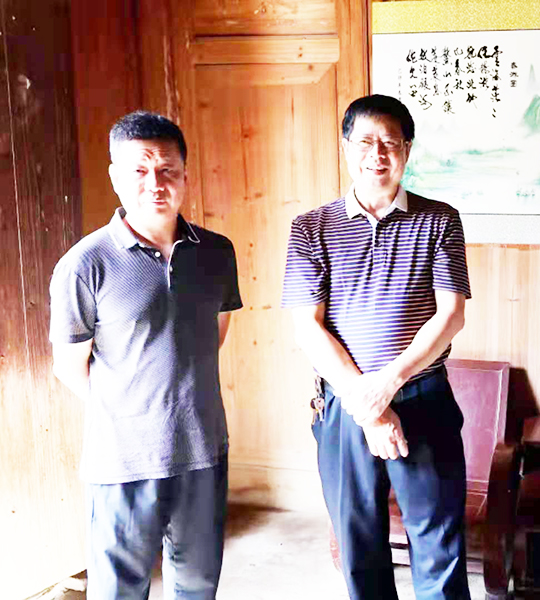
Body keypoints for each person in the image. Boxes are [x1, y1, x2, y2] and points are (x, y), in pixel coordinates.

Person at [281, 94, 472, 600]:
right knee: (358, 546)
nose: (377, 153)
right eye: (365, 141)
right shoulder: (311, 227)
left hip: (423, 399)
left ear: (407, 150)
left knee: (439, 544)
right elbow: (308, 328)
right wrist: (368, 406)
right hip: (343, 409)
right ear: (346, 147)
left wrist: (387, 386)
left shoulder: (440, 220)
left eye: (391, 142)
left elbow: (450, 315)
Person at [49, 111, 242, 599]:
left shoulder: (217, 253)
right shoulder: (85, 264)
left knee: (198, 583)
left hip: (202, 450)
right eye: (139, 170)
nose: (155, 183)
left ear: (184, 176)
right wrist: (134, 410)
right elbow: (69, 366)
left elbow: (213, 333)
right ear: (115, 177)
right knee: (119, 589)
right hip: (122, 461)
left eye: (166, 170)